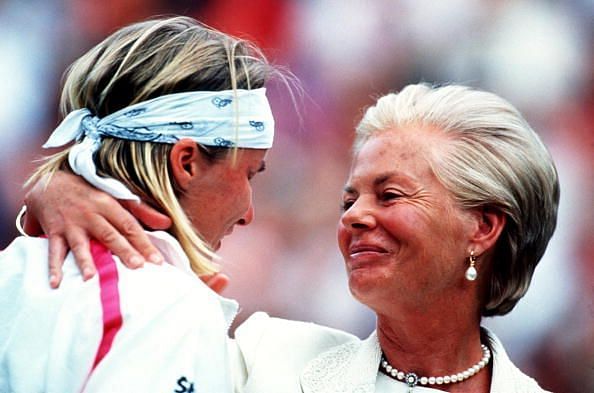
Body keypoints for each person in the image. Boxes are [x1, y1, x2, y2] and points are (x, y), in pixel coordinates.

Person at [23, 83, 558, 393]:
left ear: (483, 227)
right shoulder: (267, 356)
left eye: (389, 195)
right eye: (349, 200)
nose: (354, 217)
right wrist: (60, 186)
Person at [0, 15, 282, 392]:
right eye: (249, 174)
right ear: (186, 163)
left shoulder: (13, 268)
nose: (248, 213)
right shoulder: (164, 306)